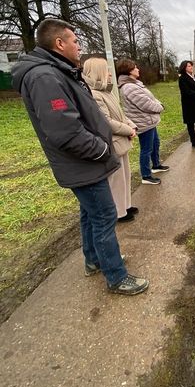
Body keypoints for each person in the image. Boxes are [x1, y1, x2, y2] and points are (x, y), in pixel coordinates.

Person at [11, 18, 148, 295]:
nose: (79, 46)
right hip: (83, 162)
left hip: (84, 162)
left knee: (90, 213)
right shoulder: (45, 77)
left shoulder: (57, 71)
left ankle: (94, 260)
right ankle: (116, 277)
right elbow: (65, 131)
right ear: (59, 43)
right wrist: (101, 149)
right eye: (75, 41)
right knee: (105, 215)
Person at [83, 57, 138, 223]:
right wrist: (128, 129)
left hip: (122, 139)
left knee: (125, 175)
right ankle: (119, 212)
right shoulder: (95, 95)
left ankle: (126, 205)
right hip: (113, 141)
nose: (109, 74)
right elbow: (106, 121)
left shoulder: (107, 91)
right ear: (98, 72)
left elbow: (120, 114)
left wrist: (131, 125)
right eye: (106, 70)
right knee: (117, 180)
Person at [116, 59, 169, 185]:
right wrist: (160, 107)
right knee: (146, 149)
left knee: (155, 143)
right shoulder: (129, 87)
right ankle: (146, 175)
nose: (138, 69)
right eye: (135, 68)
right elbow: (146, 104)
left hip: (148, 121)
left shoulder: (134, 84)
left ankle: (156, 165)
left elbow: (150, 98)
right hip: (143, 123)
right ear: (128, 70)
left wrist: (159, 103)